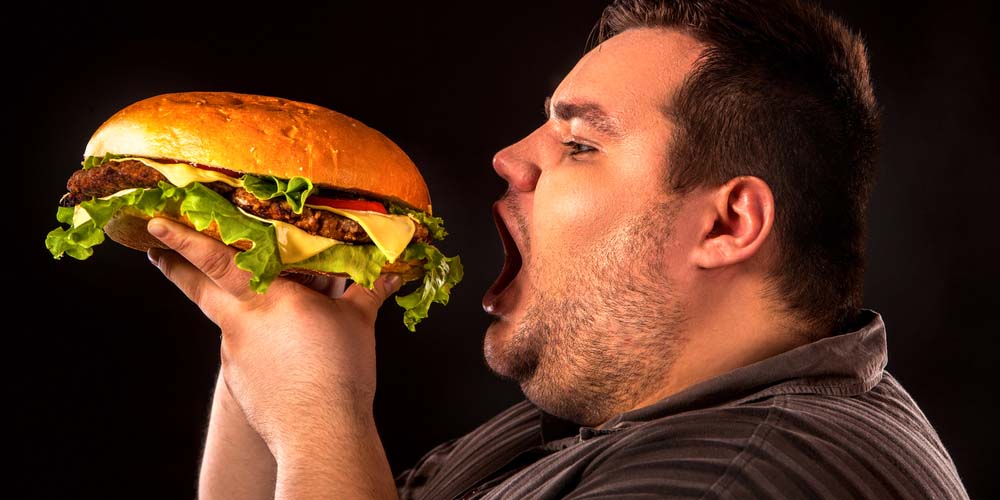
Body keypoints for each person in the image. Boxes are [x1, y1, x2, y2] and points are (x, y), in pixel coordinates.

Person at [143, 0, 969, 498]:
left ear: (727, 225)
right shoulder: (599, 417)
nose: (509, 158)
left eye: (578, 145)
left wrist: (321, 417)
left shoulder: (743, 478)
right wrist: (263, 323)